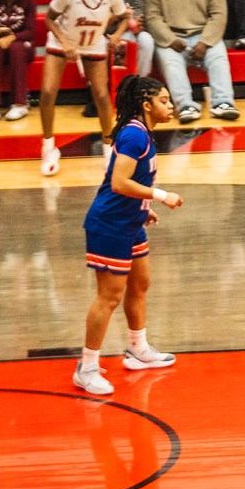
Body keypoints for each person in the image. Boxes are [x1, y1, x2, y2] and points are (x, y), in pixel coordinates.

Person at [73, 74, 183, 397]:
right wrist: (161, 196)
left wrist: (143, 207)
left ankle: (138, 349)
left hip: (130, 221)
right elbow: (119, 182)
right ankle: (86, 368)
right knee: (108, 297)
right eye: (164, 100)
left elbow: (127, 181)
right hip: (110, 225)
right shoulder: (135, 135)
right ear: (146, 105)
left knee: (140, 284)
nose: (171, 106)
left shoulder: (142, 132)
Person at [39, 0, 129, 176]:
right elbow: (49, 18)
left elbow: (124, 17)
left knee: (102, 95)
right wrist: (64, 44)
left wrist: (117, 35)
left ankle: (109, 149)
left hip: (93, 44)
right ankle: (48, 148)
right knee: (48, 92)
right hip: (62, 42)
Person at [145, 0, 239, 124]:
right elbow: (153, 18)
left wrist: (205, 41)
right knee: (171, 64)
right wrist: (171, 40)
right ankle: (185, 106)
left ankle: (223, 102)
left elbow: (218, 14)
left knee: (218, 57)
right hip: (172, 38)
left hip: (203, 35)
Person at [104, 0, 156, 77]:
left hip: (128, 30)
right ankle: (114, 81)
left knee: (146, 40)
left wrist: (131, 22)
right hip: (104, 33)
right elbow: (98, 21)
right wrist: (119, 16)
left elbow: (137, 13)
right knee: (125, 40)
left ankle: (140, 79)